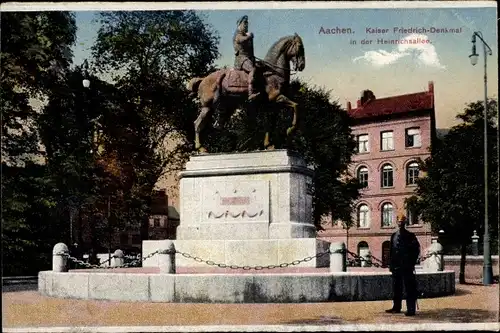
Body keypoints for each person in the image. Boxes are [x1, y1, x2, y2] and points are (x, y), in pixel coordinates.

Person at [386, 211, 421, 316]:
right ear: (396, 222)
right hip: (396, 267)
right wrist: (391, 265)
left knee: (409, 288)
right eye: (399, 222)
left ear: (405, 222)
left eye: (402, 222)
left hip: (407, 266)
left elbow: (416, 250)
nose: (400, 223)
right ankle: (396, 307)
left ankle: (411, 309)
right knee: (396, 288)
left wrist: (411, 262)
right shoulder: (393, 236)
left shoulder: (410, 236)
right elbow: (392, 251)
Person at [233, 15, 260, 101]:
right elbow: (240, 40)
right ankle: (250, 93)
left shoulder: (245, 35)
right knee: (252, 69)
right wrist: (250, 36)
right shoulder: (238, 34)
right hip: (241, 59)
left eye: (247, 23)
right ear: (239, 24)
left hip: (248, 58)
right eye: (244, 23)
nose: (246, 25)